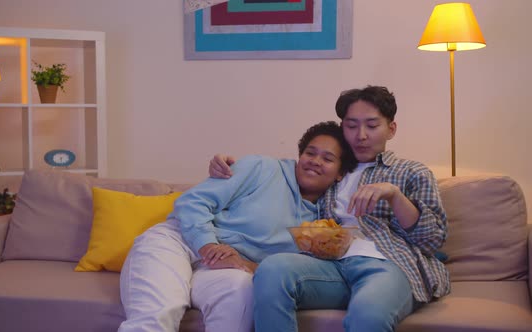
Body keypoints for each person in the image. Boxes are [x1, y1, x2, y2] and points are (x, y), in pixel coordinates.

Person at [208, 85, 450, 331]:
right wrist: (230, 169)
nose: (361, 135)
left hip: (386, 264)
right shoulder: (327, 169)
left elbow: (432, 241)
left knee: (367, 315)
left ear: (391, 129)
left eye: (372, 126)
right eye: (351, 126)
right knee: (274, 268)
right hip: (329, 266)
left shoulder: (412, 172)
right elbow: (274, 177)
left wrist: (394, 195)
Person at [118, 121, 357, 332]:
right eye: (309, 153)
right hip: (178, 243)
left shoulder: (328, 220)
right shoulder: (262, 168)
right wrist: (209, 245)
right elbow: (193, 202)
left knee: (240, 293)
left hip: (227, 268)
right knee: (160, 311)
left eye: (327, 159)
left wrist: (245, 265)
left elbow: (289, 272)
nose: (314, 162)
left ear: (340, 173)